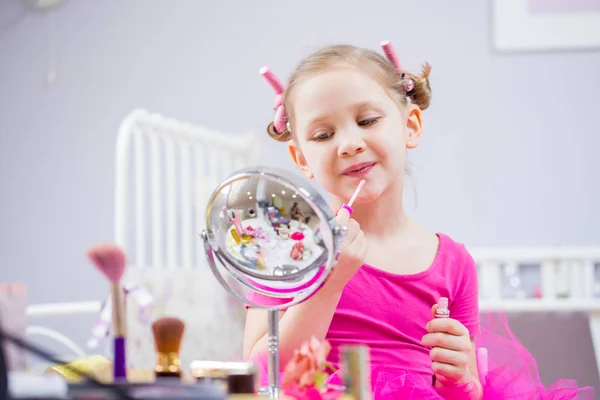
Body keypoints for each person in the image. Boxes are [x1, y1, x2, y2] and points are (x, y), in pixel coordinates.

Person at [242, 40, 594, 399]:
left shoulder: (453, 263)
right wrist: (330, 282)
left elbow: (465, 391)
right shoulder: (285, 246)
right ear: (301, 159)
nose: (348, 143)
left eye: (367, 120)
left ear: (410, 126)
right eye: (323, 134)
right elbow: (258, 373)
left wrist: (459, 381)